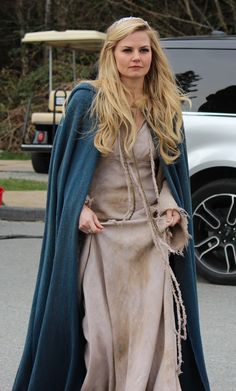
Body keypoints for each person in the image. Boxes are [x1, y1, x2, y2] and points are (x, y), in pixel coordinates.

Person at [13, 17, 210, 391]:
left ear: (153, 54)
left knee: (150, 337)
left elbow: (169, 171)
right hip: (103, 238)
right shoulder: (89, 101)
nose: (137, 58)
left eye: (144, 50)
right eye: (127, 50)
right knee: (101, 338)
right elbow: (68, 174)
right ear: (112, 54)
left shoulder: (164, 105)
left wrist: (170, 203)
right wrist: (79, 208)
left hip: (150, 239)